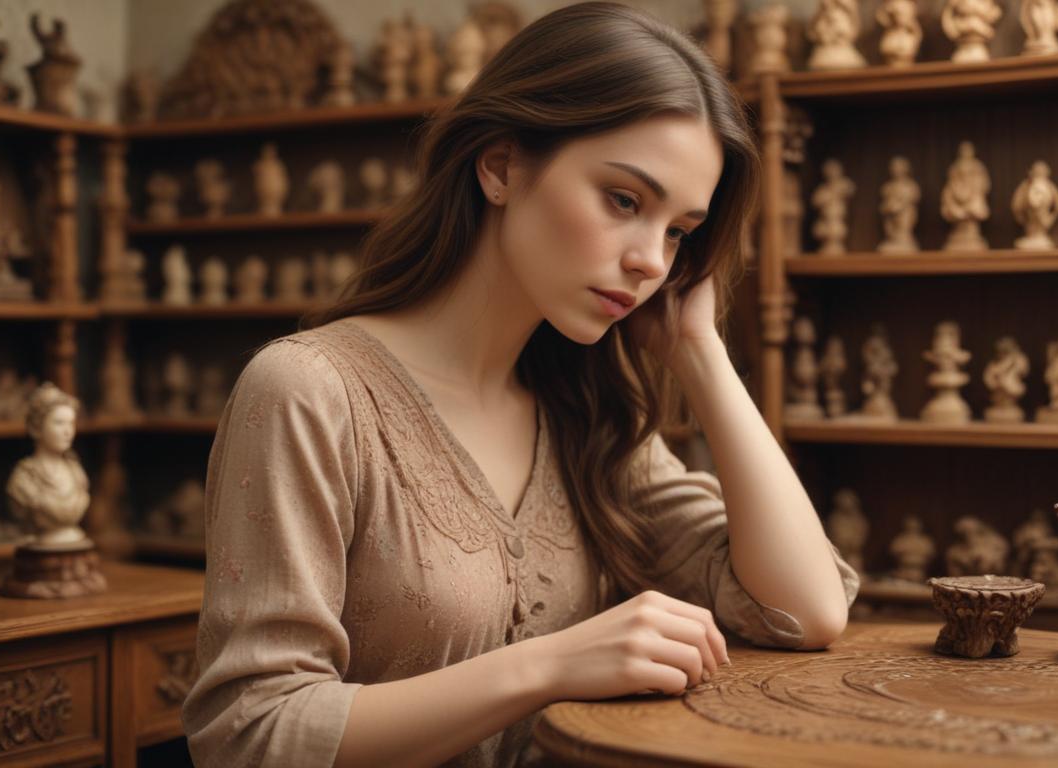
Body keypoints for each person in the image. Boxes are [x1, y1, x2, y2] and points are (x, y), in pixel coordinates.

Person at [181, 4, 859, 767]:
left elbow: (805, 610)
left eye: (679, 232)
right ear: (501, 167)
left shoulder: (588, 417)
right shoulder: (310, 393)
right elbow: (249, 734)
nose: (652, 262)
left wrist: (700, 351)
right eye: (625, 200)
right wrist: (551, 666)